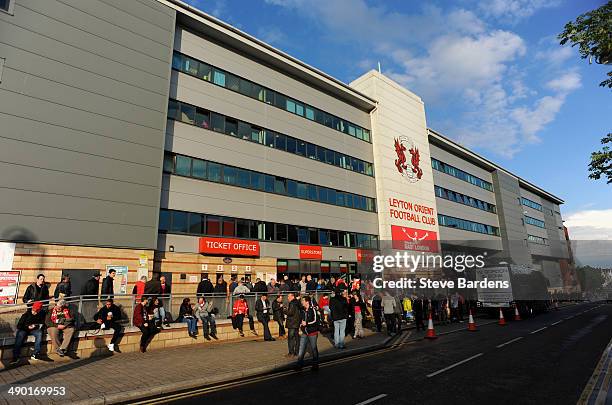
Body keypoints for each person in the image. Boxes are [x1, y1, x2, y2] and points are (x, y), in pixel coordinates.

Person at [295, 295, 320, 370]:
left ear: (307, 302)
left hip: (312, 332)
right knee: (301, 348)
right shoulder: (302, 310)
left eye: (303, 301)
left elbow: (316, 321)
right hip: (304, 332)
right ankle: (299, 365)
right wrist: (300, 325)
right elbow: (301, 319)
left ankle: (315, 365)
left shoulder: (313, 310)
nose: (302, 302)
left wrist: (307, 323)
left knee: (313, 349)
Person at [284, 292, 300, 357]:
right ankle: (296, 352)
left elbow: (290, 312)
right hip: (296, 323)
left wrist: (284, 310)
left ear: (292, 296)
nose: (288, 298)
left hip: (292, 323)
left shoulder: (292, 303)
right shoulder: (297, 302)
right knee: (297, 338)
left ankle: (291, 353)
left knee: (291, 338)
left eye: (289, 296)